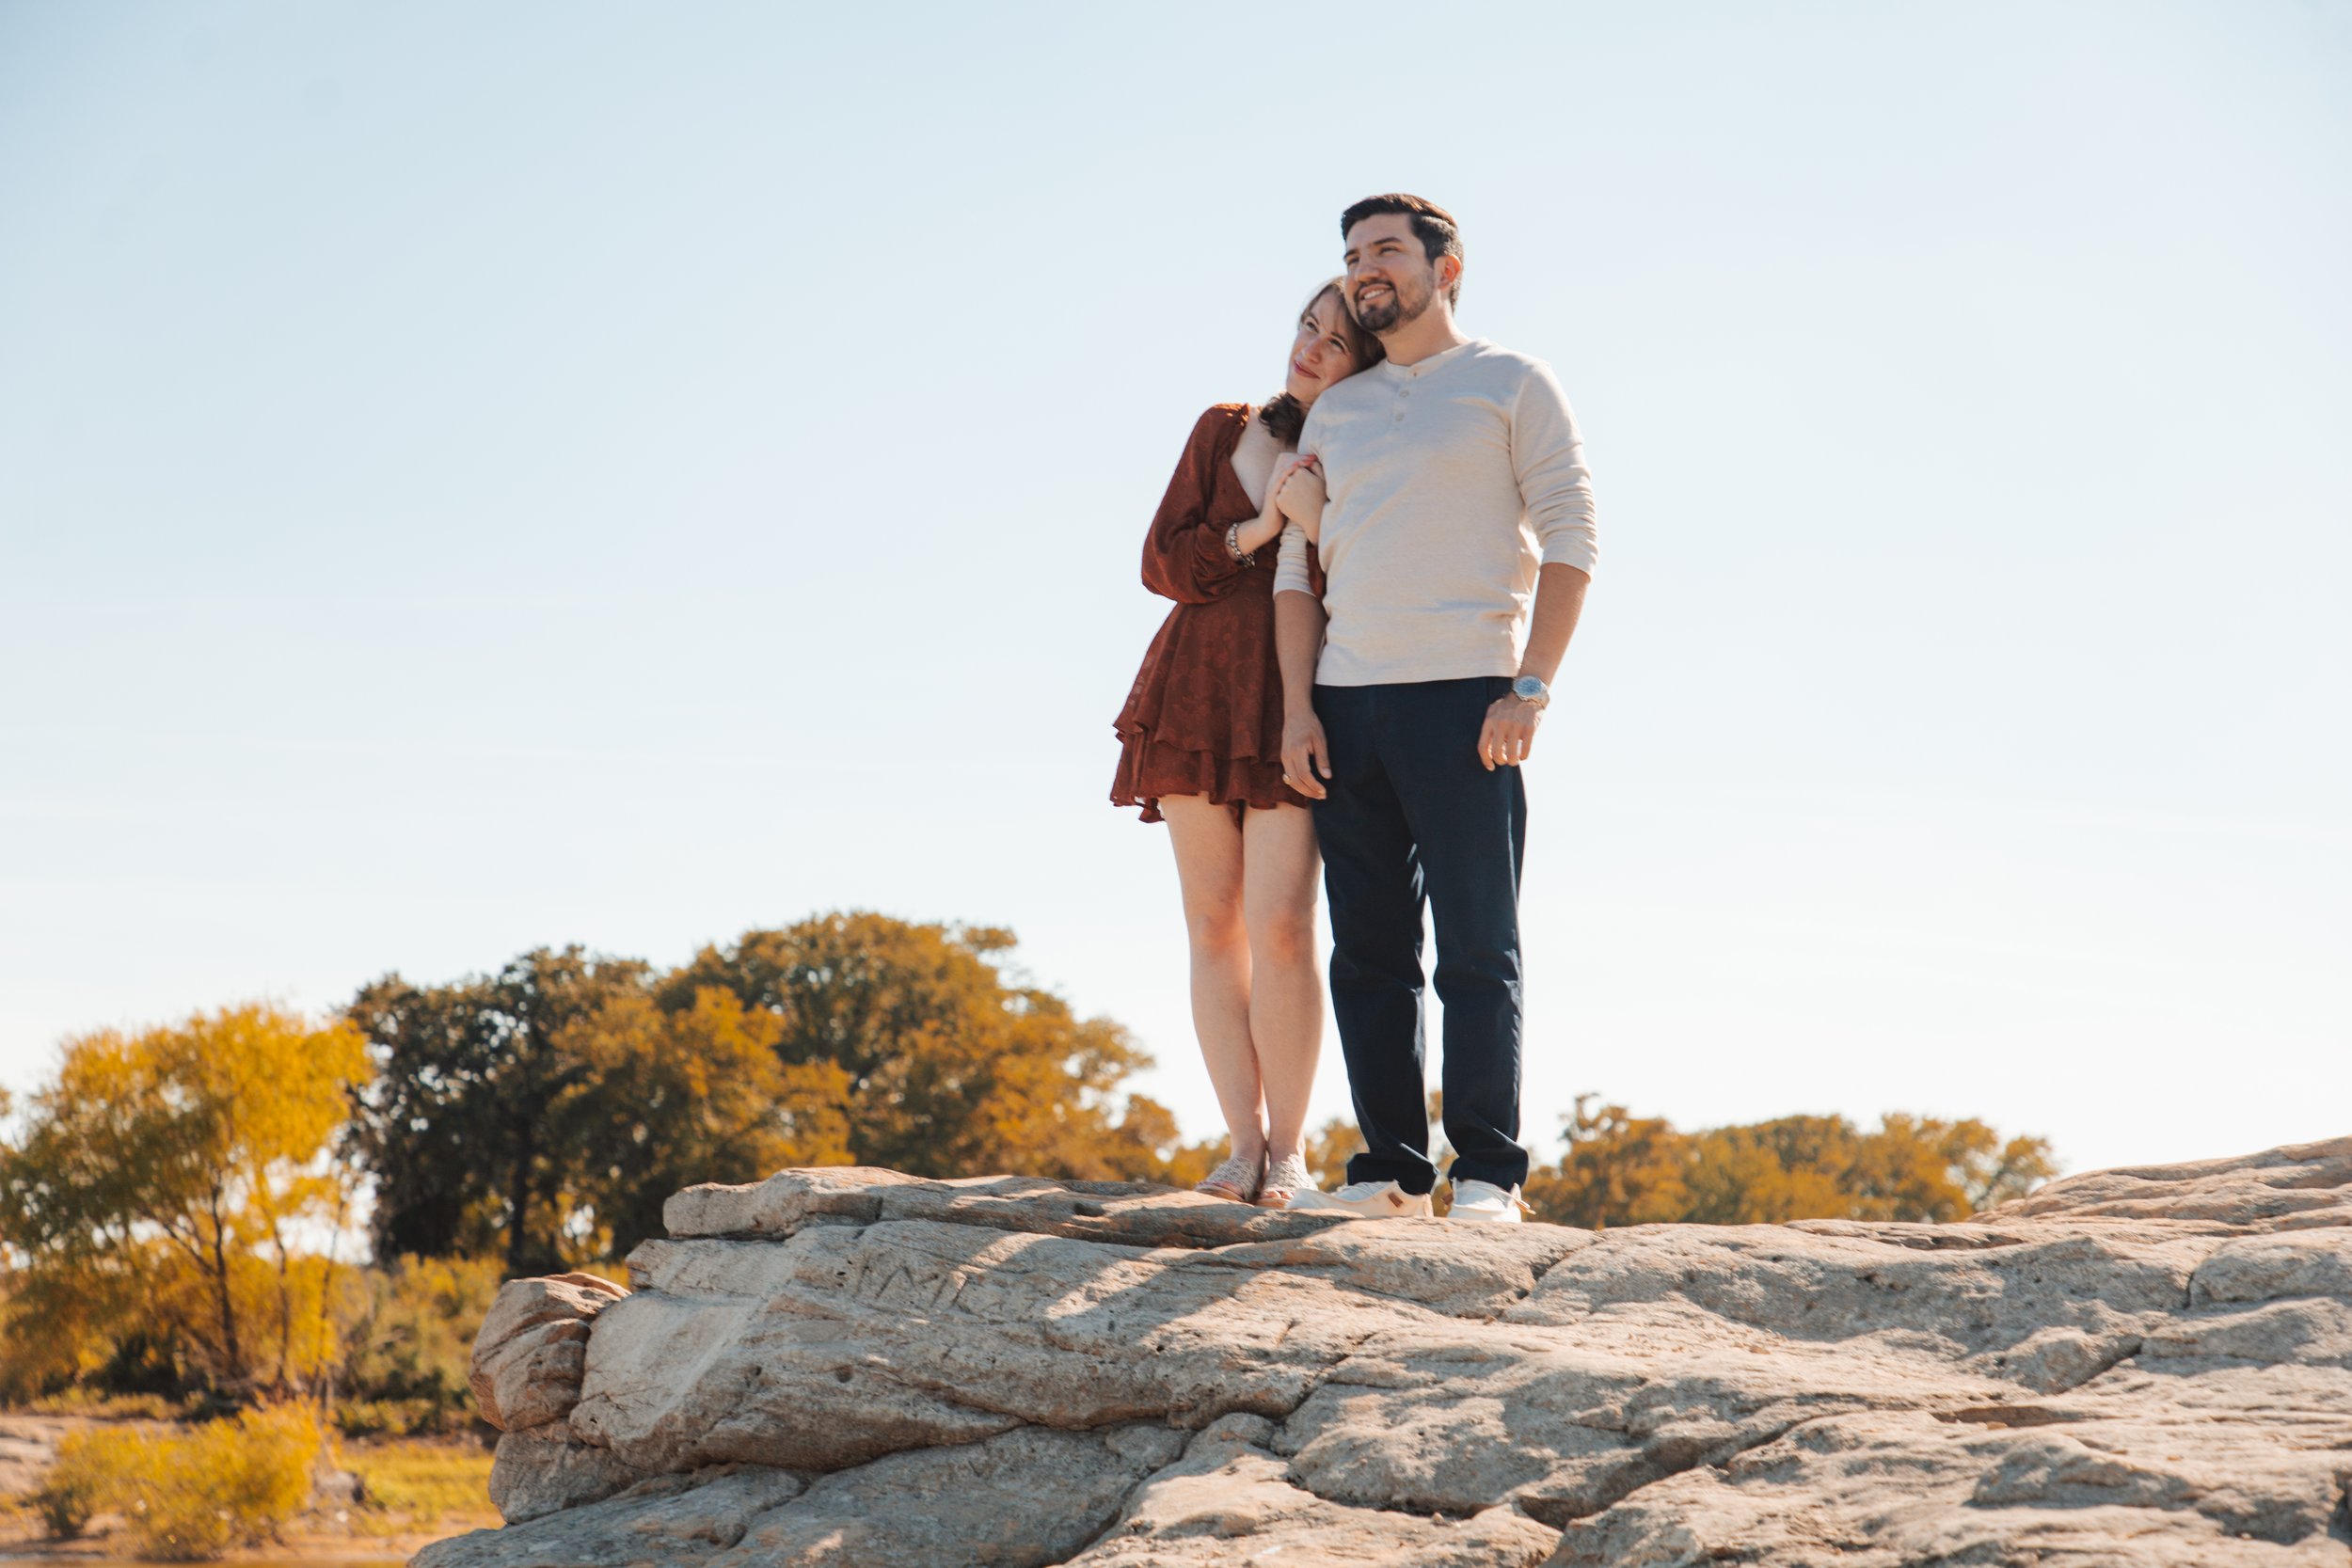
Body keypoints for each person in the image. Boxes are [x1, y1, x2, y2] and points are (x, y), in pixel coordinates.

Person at [1272, 195, 1597, 1225]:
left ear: (1445, 269)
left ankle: (1490, 1174)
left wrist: (1529, 685)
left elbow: (1573, 536)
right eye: (1352, 254)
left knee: (1475, 946)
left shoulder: (1511, 381)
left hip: (1468, 699)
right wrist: (1297, 710)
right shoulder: (1339, 409)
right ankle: (1390, 1170)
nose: (1365, 268)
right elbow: (1295, 571)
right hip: (1345, 699)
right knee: (1365, 950)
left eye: (1386, 251)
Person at [1111, 281, 1384, 1208]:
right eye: (1307, 326)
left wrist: (1314, 521)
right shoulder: (1224, 426)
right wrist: (1258, 528)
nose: (1309, 348)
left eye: (1336, 342)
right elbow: (1161, 561)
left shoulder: (1368, 450)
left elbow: (1371, 572)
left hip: (1296, 697)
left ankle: (1293, 1151)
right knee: (1211, 922)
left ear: (1368, 362)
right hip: (1194, 687)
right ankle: (1241, 1141)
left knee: (1284, 925)